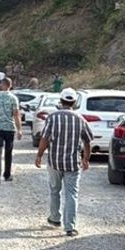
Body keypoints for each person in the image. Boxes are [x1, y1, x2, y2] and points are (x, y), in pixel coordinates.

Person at [34, 88, 91, 237]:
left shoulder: (52, 118)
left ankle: (54, 218)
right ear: (75, 102)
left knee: (54, 190)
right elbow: (87, 141)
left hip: (54, 162)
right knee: (72, 194)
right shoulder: (80, 119)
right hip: (73, 163)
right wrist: (86, 159)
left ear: (61, 101)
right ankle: (70, 227)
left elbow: (45, 138)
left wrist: (39, 155)